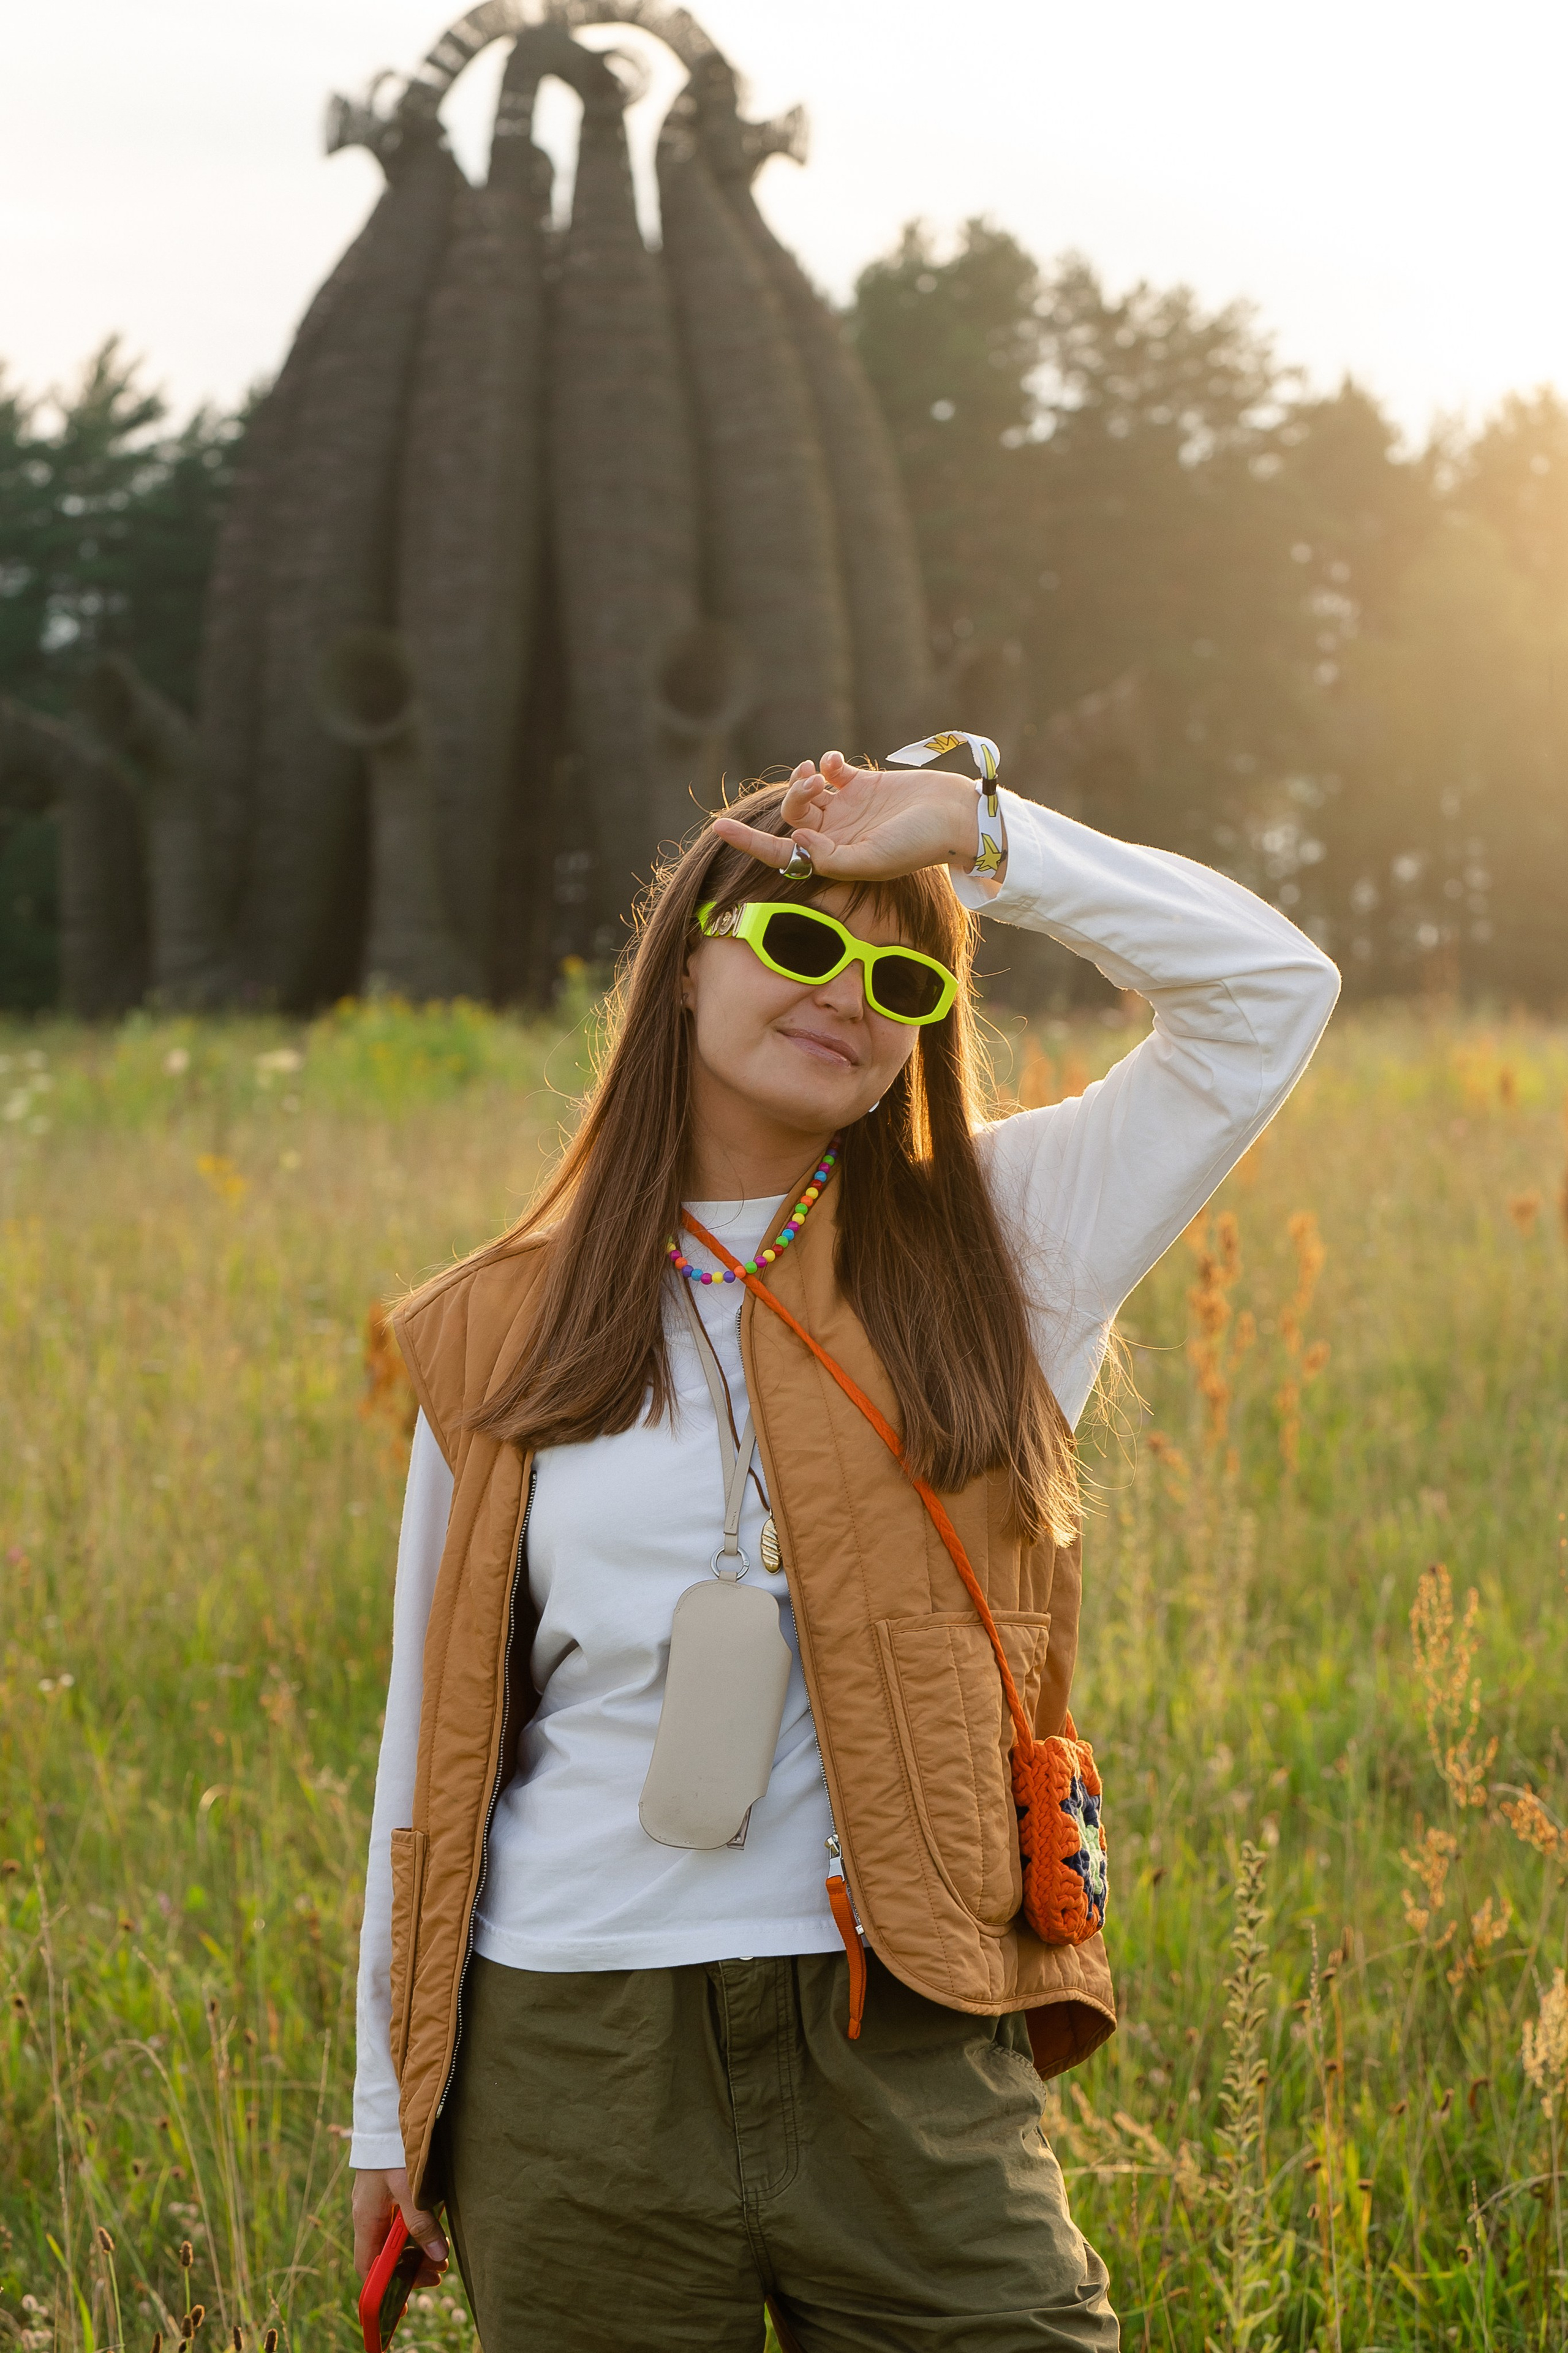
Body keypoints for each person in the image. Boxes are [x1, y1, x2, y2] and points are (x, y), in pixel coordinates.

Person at [349, 747, 1338, 2351]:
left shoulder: (1008, 1237)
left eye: (902, 977)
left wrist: (982, 833)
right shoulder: (497, 1321)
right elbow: (431, 1744)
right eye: (805, 940)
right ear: (683, 971)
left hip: (906, 2021)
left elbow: (1271, 995)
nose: (851, 993)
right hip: (572, 2057)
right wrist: (383, 2113)